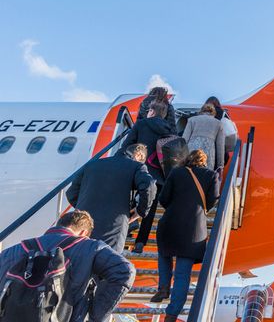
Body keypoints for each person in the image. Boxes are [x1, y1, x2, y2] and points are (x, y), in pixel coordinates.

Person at [0, 210, 135, 322]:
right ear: (83, 233)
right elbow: (125, 271)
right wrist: (95, 316)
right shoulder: (90, 247)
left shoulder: (12, 251)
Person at [151, 150, 220, 322]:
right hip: (194, 229)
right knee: (183, 274)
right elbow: (212, 200)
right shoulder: (211, 176)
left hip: (171, 222)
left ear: (188, 159)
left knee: (164, 253)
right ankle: (172, 314)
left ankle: (164, 286)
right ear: (204, 161)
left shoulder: (177, 172)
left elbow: (164, 198)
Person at [65, 143, 156, 252]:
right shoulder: (136, 166)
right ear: (139, 156)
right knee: (107, 263)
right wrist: (140, 211)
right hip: (113, 228)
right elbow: (149, 185)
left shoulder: (92, 164)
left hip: (83, 225)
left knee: (79, 261)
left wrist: (86, 208)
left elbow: (71, 192)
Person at [122, 101, 174, 252]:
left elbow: (127, 145)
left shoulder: (141, 124)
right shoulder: (169, 129)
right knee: (149, 208)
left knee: (130, 200)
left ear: (151, 111)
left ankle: (126, 231)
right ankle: (141, 242)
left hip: (139, 169)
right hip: (159, 175)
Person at [182, 103, 225, 171]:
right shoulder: (219, 124)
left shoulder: (192, 120)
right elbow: (220, 146)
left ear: (201, 111)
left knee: (189, 174)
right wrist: (220, 165)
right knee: (205, 176)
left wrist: (181, 159)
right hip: (208, 153)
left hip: (192, 151)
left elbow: (184, 139)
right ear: (213, 113)